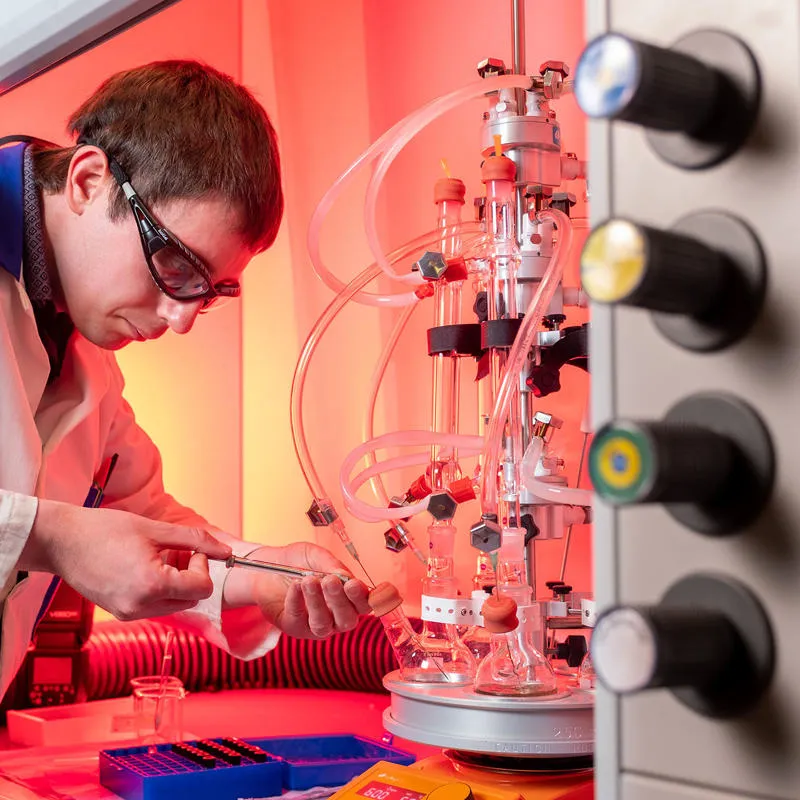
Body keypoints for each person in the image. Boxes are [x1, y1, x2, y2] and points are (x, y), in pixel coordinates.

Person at [0, 60, 370, 699]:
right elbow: (74, 532)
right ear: (90, 182)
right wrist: (54, 538)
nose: (180, 319)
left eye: (209, 291)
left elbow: (139, 513)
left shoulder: (78, 342)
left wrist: (263, 574)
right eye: (174, 264)